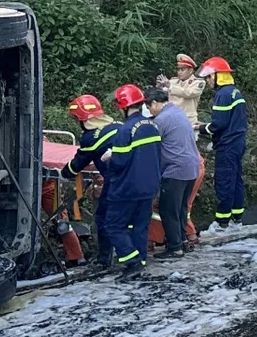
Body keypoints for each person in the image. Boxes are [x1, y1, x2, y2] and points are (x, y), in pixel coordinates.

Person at [105, 84, 162, 281]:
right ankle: (141, 261)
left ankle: (132, 262)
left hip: (127, 188)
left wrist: (108, 159)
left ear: (123, 106)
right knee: (140, 226)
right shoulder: (153, 125)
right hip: (150, 186)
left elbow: (119, 162)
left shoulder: (125, 130)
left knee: (113, 225)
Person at [63, 94, 120, 268]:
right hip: (137, 177)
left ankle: (104, 260)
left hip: (115, 180)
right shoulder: (116, 126)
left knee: (103, 219)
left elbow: (78, 163)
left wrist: (65, 172)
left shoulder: (90, 138)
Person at [145, 88, 199, 258]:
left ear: (154, 103)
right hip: (191, 168)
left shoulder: (161, 120)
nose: (149, 110)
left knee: (168, 210)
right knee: (181, 208)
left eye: (148, 106)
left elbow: (149, 145)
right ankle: (182, 241)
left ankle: (174, 248)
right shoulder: (177, 112)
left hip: (175, 170)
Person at [198, 56, 248, 227]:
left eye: (209, 77)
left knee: (224, 181)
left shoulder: (223, 95)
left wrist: (201, 128)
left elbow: (218, 125)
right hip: (238, 142)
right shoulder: (235, 92)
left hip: (227, 145)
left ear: (218, 76)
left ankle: (222, 222)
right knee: (235, 179)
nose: (208, 81)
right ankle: (237, 217)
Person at [157, 54, 206, 128]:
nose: (179, 72)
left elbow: (189, 93)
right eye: (178, 69)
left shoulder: (198, 82)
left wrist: (170, 87)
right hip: (172, 119)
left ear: (190, 70)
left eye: (182, 70)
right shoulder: (173, 81)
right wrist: (159, 87)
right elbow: (163, 93)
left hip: (188, 121)